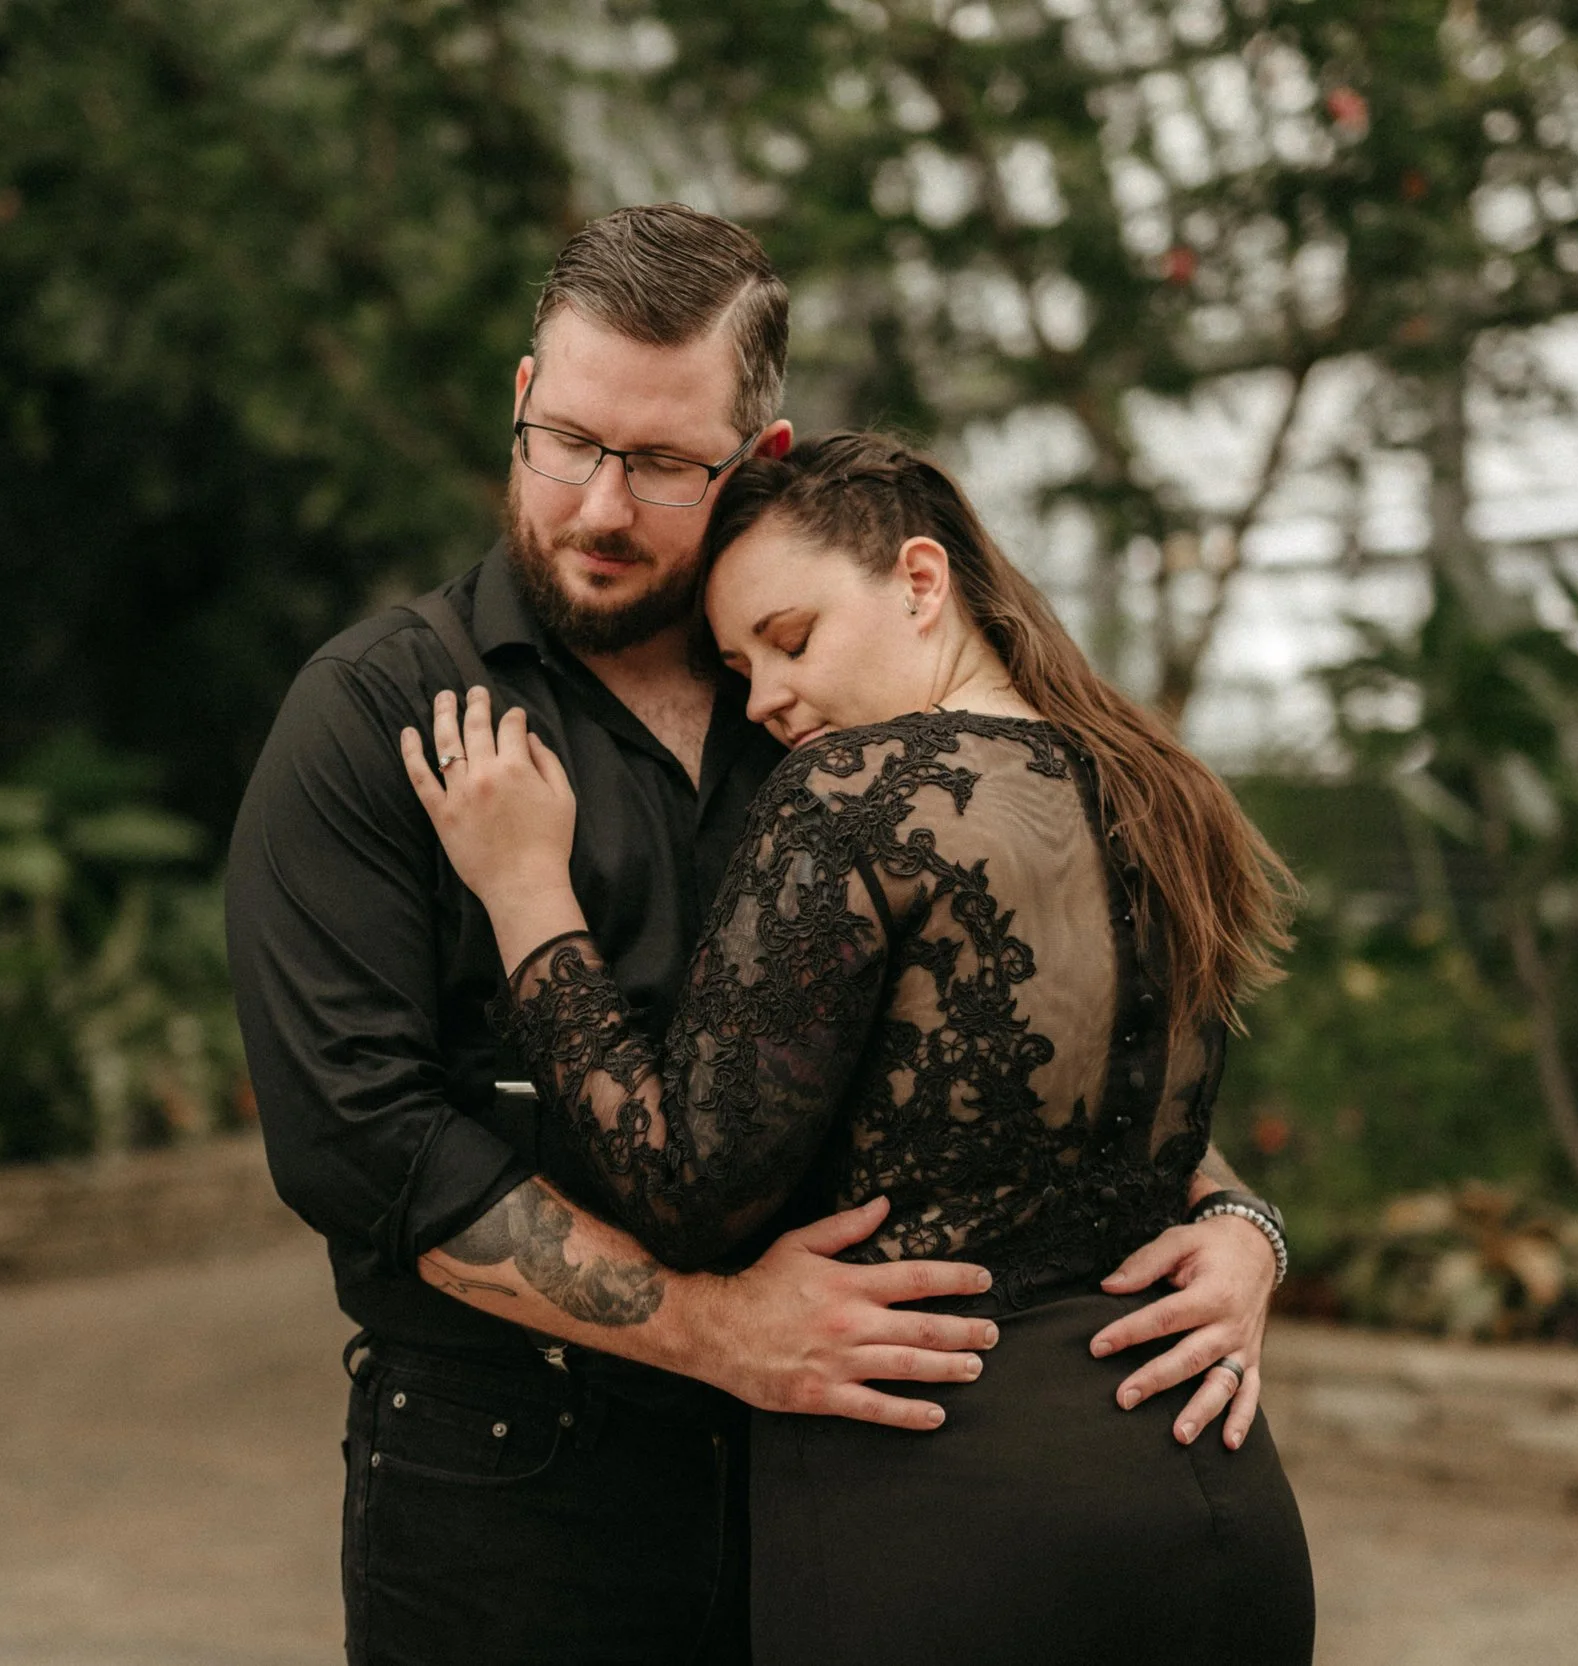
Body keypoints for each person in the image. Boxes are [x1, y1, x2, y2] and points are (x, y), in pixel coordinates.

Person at [226, 205, 1293, 1666]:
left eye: (664, 465)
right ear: (523, 399)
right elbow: (362, 1143)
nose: (600, 506)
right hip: (514, 1489)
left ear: (758, 458)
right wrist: (721, 1331)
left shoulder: (833, 706)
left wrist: (1234, 1221)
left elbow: (1007, 1017)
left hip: (848, 1490)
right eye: (570, 442)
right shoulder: (373, 714)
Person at [402, 430, 1315, 1665]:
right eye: (736, 667)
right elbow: (1113, 1125)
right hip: (1210, 1493)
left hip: (944, 1521)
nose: (766, 696)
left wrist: (525, 897)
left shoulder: (852, 793)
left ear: (922, 583)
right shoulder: (1160, 788)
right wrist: (1251, 1229)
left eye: (791, 637)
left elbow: (684, 1187)